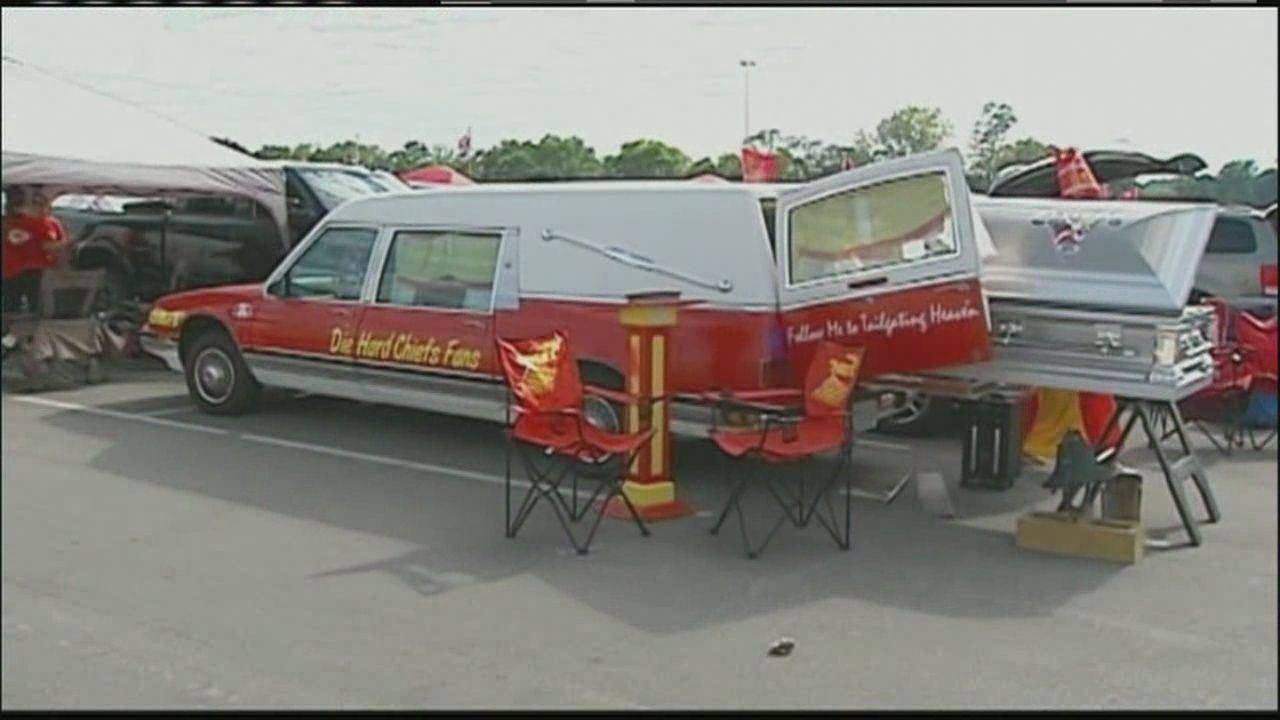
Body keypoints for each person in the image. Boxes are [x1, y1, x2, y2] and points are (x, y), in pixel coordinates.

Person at [2, 185, 68, 349]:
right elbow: (47, 246)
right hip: (19, 270)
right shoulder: (16, 223)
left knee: (35, 307)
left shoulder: (52, 223)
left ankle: (24, 339)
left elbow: (57, 248)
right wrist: (69, 243)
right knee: (14, 307)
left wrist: (62, 263)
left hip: (41, 270)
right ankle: (11, 338)